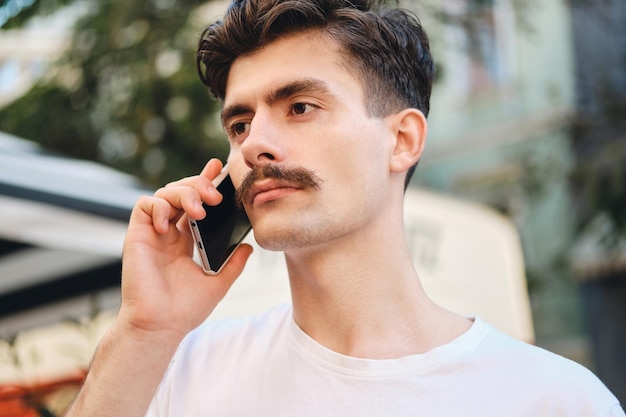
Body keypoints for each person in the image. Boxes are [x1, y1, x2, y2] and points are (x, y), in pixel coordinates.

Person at [65, 0, 624, 416]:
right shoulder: (177, 373)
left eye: (300, 106)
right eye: (239, 123)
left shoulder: (555, 401)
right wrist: (142, 330)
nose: (254, 142)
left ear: (402, 140)